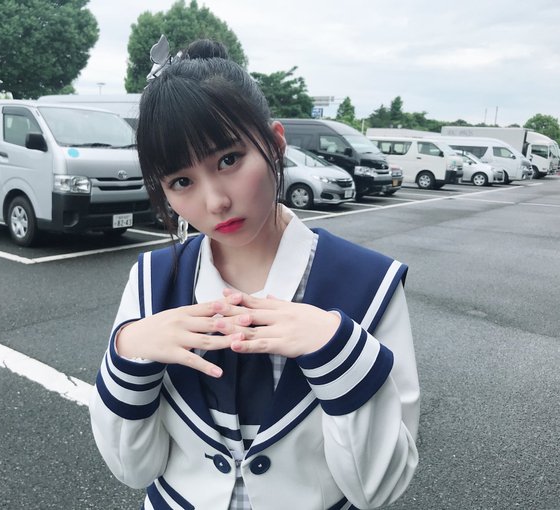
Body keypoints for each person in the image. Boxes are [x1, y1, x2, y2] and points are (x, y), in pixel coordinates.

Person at [89, 37, 420, 510]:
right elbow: (132, 469)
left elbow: (378, 489)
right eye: (181, 181)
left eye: (229, 160)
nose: (215, 201)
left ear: (276, 144)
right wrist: (128, 357)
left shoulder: (370, 285)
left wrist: (337, 350)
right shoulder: (150, 282)